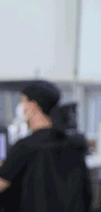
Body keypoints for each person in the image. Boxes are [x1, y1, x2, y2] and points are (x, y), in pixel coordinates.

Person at [0, 81, 92, 212]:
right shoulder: (74, 144)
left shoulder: (25, 146)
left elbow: (2, 183)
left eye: (22, 102)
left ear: (33, 106)